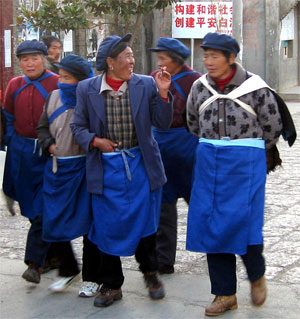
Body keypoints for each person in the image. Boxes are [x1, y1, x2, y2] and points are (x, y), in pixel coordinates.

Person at [186, 32, 295, 317]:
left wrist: (243, 149)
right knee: (212, 226)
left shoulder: (256, 88)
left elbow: (272, 128)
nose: (207, 61)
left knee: (243, 222)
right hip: (209, 163)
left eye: (214, 56)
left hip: (245, 165)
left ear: (231, 58)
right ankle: (224, 294)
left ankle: (256, 275)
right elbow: (192, 123)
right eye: (205, 56)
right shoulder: (199, 88)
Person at [70, 33, 173, 308]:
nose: (132, 60)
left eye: (131, 55)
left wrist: (163, 93)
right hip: (105, 168)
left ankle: (151, 275)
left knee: (145, 224)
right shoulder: (86, 89)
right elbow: (77, 127)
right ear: (110, 62)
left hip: (140, 164)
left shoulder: (146, 85)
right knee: (106, 227)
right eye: (126, 56)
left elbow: (162, 124)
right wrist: (96, 141)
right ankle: (112, 285)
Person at [37, 54, 102, 297]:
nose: (61, 82)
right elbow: (42, 127)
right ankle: (67, 269)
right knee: (53, 221)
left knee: (89, 226)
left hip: (85, 170)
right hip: (57, 170)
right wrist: (49, 144)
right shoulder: (53, 97)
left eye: (68, 78)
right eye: (60, 76)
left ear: (82, 80)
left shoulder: (92, 100)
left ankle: (92, 278)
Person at [2, 40, 59, 284]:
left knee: (43, 207)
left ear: (45, 59)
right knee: (29, 204)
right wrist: (11, 142)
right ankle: (54, 255)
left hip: (49, 152)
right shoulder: (14, 85)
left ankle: (34, 263)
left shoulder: (57, 83)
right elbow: (7, 115)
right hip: (21, 152)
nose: (29, 63)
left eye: (34, 58)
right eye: (24, 59)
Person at [149, 37, 201, 274]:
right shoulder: (153, 78)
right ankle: (164, 259)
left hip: (188, 145)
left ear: (177, 60)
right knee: (163, 204)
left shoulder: (196, 81)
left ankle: (214, 248)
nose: (160, 64)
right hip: (160, 146)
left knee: (199, 202)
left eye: (164, 59)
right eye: (158, 59)